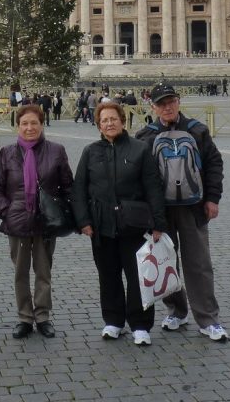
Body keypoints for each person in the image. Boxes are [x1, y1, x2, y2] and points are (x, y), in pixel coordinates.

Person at [134, 85, 229, 343]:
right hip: (160, 211)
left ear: (178, 102)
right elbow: (139, 176)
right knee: (165, 263)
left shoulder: (197, 130)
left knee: (198, 264)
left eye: (171, 101)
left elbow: (213, 164)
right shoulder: (145, 136)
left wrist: (212, 198)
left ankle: (208, 318)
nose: (167, 107)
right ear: (152, 107)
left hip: (193, 207)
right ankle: (176, 310)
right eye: (161, 103)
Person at [73, 100, 167, 347]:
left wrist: (158, 223)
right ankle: (113, 321)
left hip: (134, 224)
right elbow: (79, 189)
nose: (109, 123)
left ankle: (140, 324)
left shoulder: (140, 149)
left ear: (122, 121)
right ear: (98, 125)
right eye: (104, 120)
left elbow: (153, 187)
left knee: (138, 277)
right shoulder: (90, 151)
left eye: (113, 119)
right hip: (102, 225)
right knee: (108, 275)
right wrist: (83, 221)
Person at [0, 104, 73, 339]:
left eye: (34, 123)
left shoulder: (56, 151)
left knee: (44, 271)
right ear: (18, 126)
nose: (29, 128)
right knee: (20, 272)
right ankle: (25, 317)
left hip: (46, 222)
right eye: (24, 123)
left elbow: (68, 186)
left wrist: (66, 215)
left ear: (41, 125)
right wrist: (6, 211)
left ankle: (43, 315)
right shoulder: (6, 153)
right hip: (17, 221)